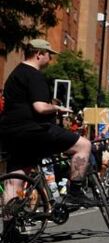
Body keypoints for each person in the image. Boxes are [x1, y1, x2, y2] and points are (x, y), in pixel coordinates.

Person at [0, 40, 93, 207]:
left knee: (14, 181)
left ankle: (10, 229)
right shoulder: (34, 75)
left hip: (12, 134)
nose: (50, 59)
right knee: (84, 145)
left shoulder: (15, 74)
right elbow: (40, 107)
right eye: (49, 54)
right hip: (35, 131)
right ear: (39, 54)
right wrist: (57, 108)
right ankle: (75, 192)